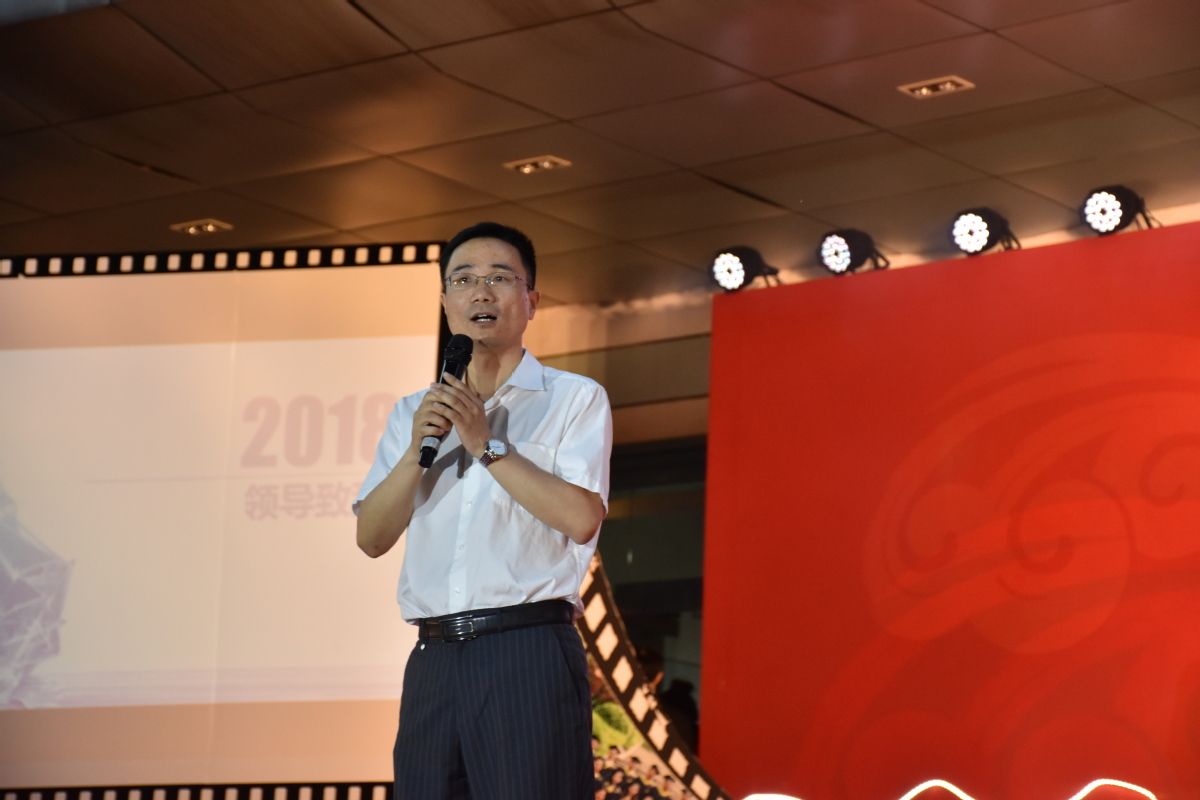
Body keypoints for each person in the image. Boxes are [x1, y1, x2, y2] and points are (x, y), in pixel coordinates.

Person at [355, 222, 613, 800]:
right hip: (434, 657)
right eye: (464, 280)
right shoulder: (412, 412)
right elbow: (371, 538)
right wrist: (416, 454)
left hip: (526, 648)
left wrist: (485, 444)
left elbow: (581, 519)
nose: (480, 292)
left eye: (499, 278)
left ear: (531, 301)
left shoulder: (573, 398)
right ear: (445, 301)